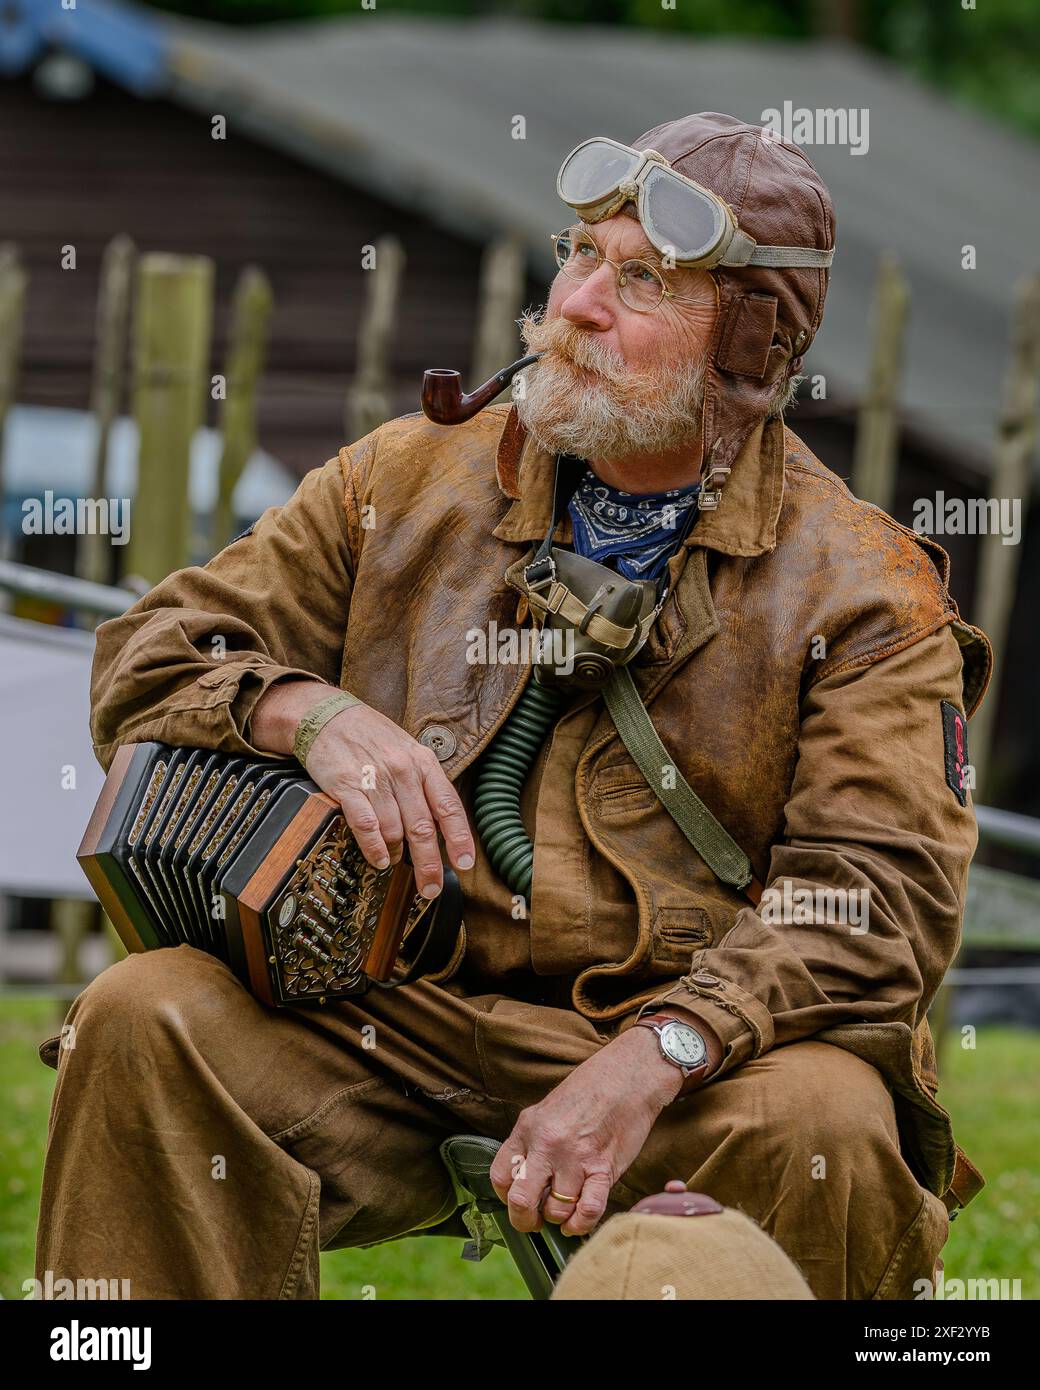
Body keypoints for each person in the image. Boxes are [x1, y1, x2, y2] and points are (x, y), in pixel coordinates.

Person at [35, 112, 990, 1301]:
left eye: (640, 279)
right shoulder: (400, 481)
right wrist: (307, 714)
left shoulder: (864, 588)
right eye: (579, 253)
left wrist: (659, 1052)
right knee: (145, 1013)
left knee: (828, 1118)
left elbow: (873, 897)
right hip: (384, 1017)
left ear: (749, 345)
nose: (577, 303)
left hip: (685, 1058)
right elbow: (147, 657)